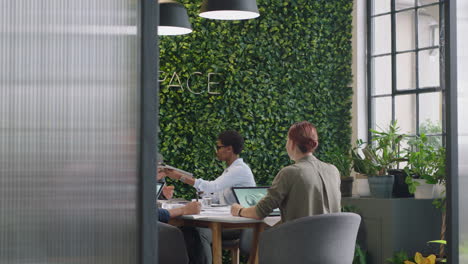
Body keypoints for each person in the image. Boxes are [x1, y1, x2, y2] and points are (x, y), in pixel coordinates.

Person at [162, 130, 256, 264]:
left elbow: (211, 186)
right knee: (188, 230)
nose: (216, 151)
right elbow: (214, 195)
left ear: (229, 149)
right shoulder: (229, 171)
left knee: (198, 232)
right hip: (226, 221)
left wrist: (180, 177)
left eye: (218, 147)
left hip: (238, 225)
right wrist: (200, 196)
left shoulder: (240, 170)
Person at [230, 121, 341, 222]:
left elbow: (260, 212)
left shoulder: (289, 173)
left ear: (292, 143)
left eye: (287, 140)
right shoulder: (333, 171)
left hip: (299, 241)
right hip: (332, 242)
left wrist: (239, 210)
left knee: (262, 237)